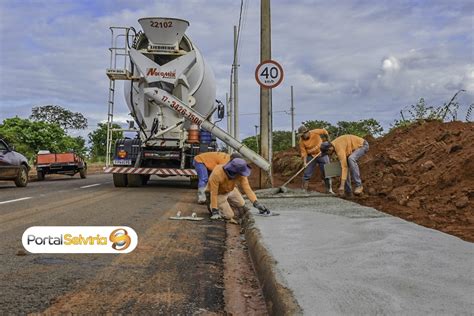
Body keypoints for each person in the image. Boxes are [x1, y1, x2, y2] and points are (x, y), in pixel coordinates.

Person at [206, 158, 271, 221]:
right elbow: (213, 192)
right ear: (235, 171)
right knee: (229, 216)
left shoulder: (241, 174)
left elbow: (247, 189)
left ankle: (225, 204)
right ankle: (212, 205)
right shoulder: (217, 173)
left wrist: (256, 203)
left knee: (242, 204)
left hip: (229, 189)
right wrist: (215, 211)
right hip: (217, 193)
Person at [298, 125, 334, 193]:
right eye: (301, 135)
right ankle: (304, 190)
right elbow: (304, 153)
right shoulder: (301, 141)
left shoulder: (314, 132)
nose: (302, 136)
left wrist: (329, 141)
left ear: (307, 132)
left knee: (328, 171)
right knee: (307, 173)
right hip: (311, 156)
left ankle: (329, 190)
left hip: (322, 153)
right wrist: (305, 163)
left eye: (303, 135)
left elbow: (324, 131)